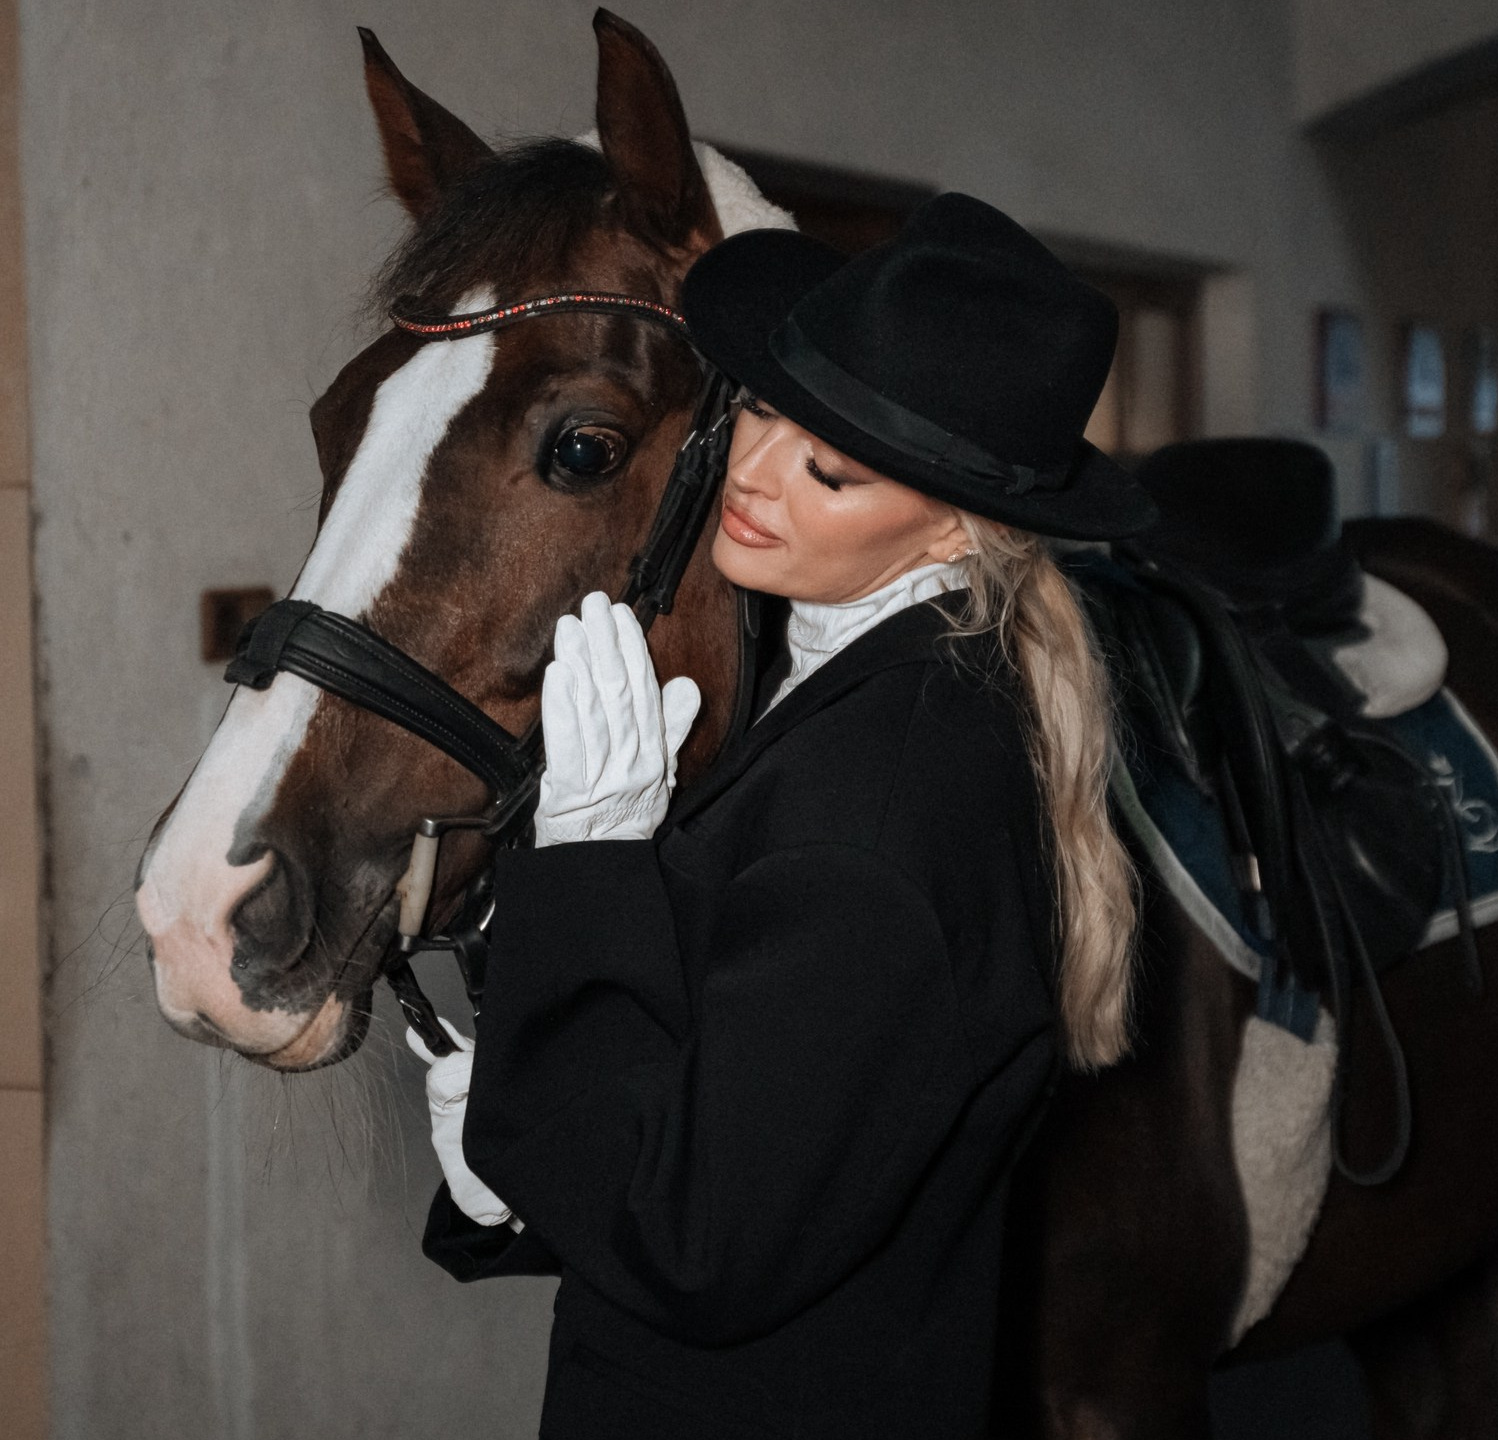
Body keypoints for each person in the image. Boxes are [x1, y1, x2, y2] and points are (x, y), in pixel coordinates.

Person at [408, 193, 1154, 1439]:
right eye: (759, 406)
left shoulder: (875, 809)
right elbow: (777, 1165)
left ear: (955, 522)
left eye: (830, 468)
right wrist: (524, 1154)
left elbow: (696, 1244)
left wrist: (591, 863)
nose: (749, 474)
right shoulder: (863, 689)